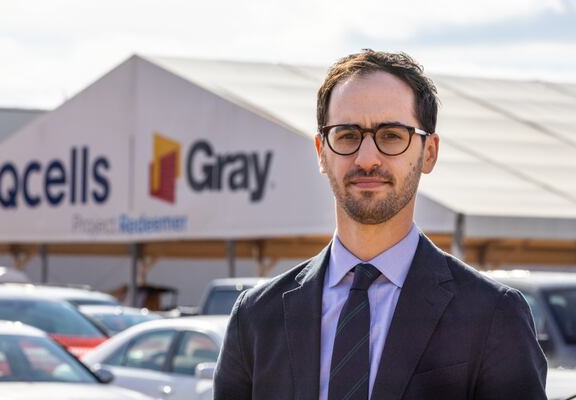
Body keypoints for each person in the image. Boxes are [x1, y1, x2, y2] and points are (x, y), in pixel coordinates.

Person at [213, 50, 547, 400]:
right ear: (320, 152)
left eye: (391, 135)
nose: (367, 158)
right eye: (346, 135)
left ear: (428, 152)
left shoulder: (492, 314)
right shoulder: (255, 318)